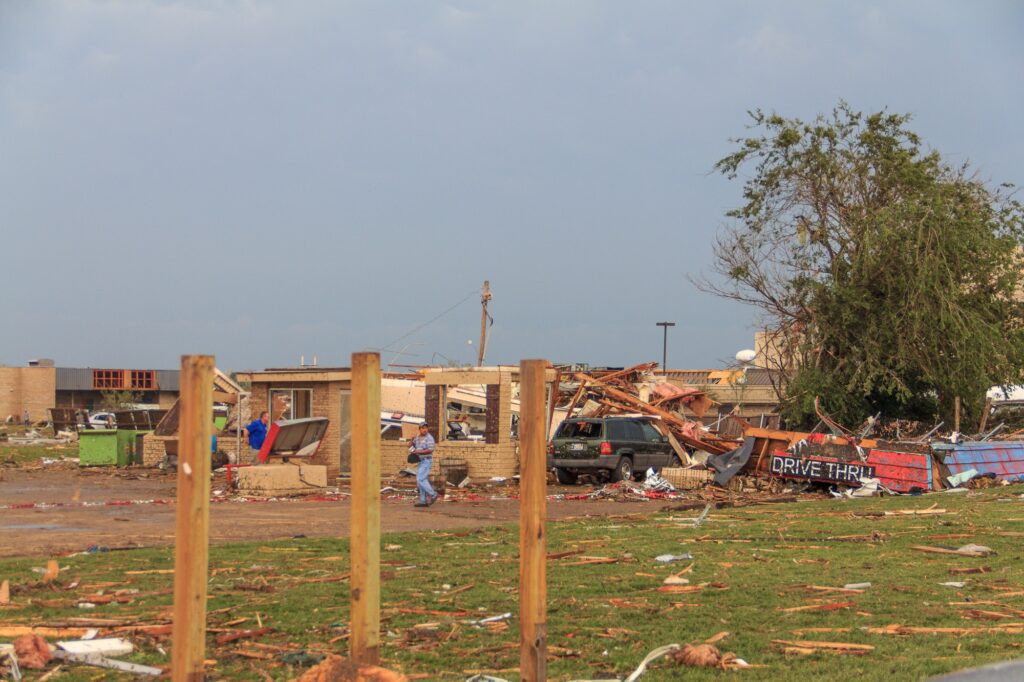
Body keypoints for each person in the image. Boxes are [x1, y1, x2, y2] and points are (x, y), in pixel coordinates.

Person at [410, 423, 438, 507]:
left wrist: (418, 452)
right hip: (420, 461)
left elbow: (430, 450)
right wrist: (411, 441)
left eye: (426, 428)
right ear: (419, 429)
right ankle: (423, 501)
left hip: (426, 461)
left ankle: (433, 494)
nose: (424, 429)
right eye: (422, 428)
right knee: (420, 482)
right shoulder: (417, 437)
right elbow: (411, 446)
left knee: (420, 480)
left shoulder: (429, 438)